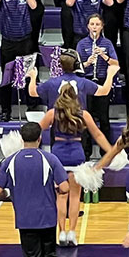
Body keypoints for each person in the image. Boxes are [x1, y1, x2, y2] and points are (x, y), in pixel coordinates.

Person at [0, 122, 69, 257]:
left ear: (21, 138)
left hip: (25, 219)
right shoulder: (50, 159)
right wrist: (55, 189)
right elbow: (66, 187)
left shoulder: (10, 161)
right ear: (40, 138)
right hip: (47, 217)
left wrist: (9, 195)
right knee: (49, 255)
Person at [39, 84, 112, 246]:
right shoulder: (83, 114)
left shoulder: (53, 113)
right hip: (76, 153)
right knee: (74, 196)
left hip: (58, 154)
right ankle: (72, 232)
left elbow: (35, 130)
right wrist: (113, 152)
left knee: (61, 195)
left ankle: (61, 233)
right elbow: (98, 135)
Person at [0, 0, 37, 122]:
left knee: (28, 74)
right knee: (7, 77)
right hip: (8, 41)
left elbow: (34, 5)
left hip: (25, 41)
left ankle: (32, 107)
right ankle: (6, 110)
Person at [76, 14, 119, 159]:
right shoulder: (82, 44)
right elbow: (76, 68)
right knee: (86, 118)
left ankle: (105, 153)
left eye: (97, 25)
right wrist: (87, 63)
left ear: (102, 27)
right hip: (86, 82)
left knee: (103, 118)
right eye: (92, 24)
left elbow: (116, 64)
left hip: (102, 81)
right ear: (88, 26)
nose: (94, 27)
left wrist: (104, 56)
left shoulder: (107, 44)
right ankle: (85, 153)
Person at [28, 49, 120, 110]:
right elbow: (104, 91)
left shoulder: (51, 83)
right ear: (77, 65)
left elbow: (32, 92)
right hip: (78, 127)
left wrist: (33, 77)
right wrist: (110, 75)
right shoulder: (83, 82)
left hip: (56, 128)